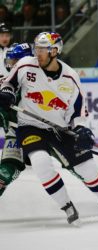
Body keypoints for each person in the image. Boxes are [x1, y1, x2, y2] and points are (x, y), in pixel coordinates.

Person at [0, 31, 98, 225]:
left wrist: (82, 129)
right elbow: (9, 82)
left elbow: (78, 113)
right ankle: (67, 206)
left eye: (43, 49)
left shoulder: (71, 77)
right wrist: (6, 93)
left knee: (88, 169)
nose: (38, 52)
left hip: (60, 129)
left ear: (55, 51)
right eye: (37, 48)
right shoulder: (25, 65)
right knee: (41, 162)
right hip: (30, 126)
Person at [0, 42, 33, 198]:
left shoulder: (38, 79)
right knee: (6, 171)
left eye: (14, 62)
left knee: (76, 164)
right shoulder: (6, 81)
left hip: (44, 131)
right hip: (16, 131)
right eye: (10, 61)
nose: (10, 65)